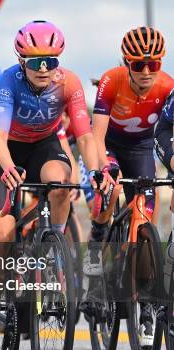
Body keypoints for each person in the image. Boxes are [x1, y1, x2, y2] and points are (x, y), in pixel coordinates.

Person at [0, 20, 109, 350]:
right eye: (35, 61)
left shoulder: (68, 84)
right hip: (4, 151)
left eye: (50, 61)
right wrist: (7, 168)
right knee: (2, 232)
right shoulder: (9, 80)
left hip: (43, 146)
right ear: (22, 61)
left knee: (61, 183)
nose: (43, 68)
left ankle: (54, 247)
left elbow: (84, 138)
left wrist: (96, 171)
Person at [83, 27, 174, 290]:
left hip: (142, 148)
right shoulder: (111, 81)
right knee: (110, 191)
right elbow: (96, 135)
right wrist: (105, 168)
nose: (146, 72)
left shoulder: (168, 86)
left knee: (147, 216)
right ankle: (97, 240)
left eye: (153, 64)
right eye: (138, 65)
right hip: (109, 144)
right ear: (126, 63)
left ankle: (144, 297)